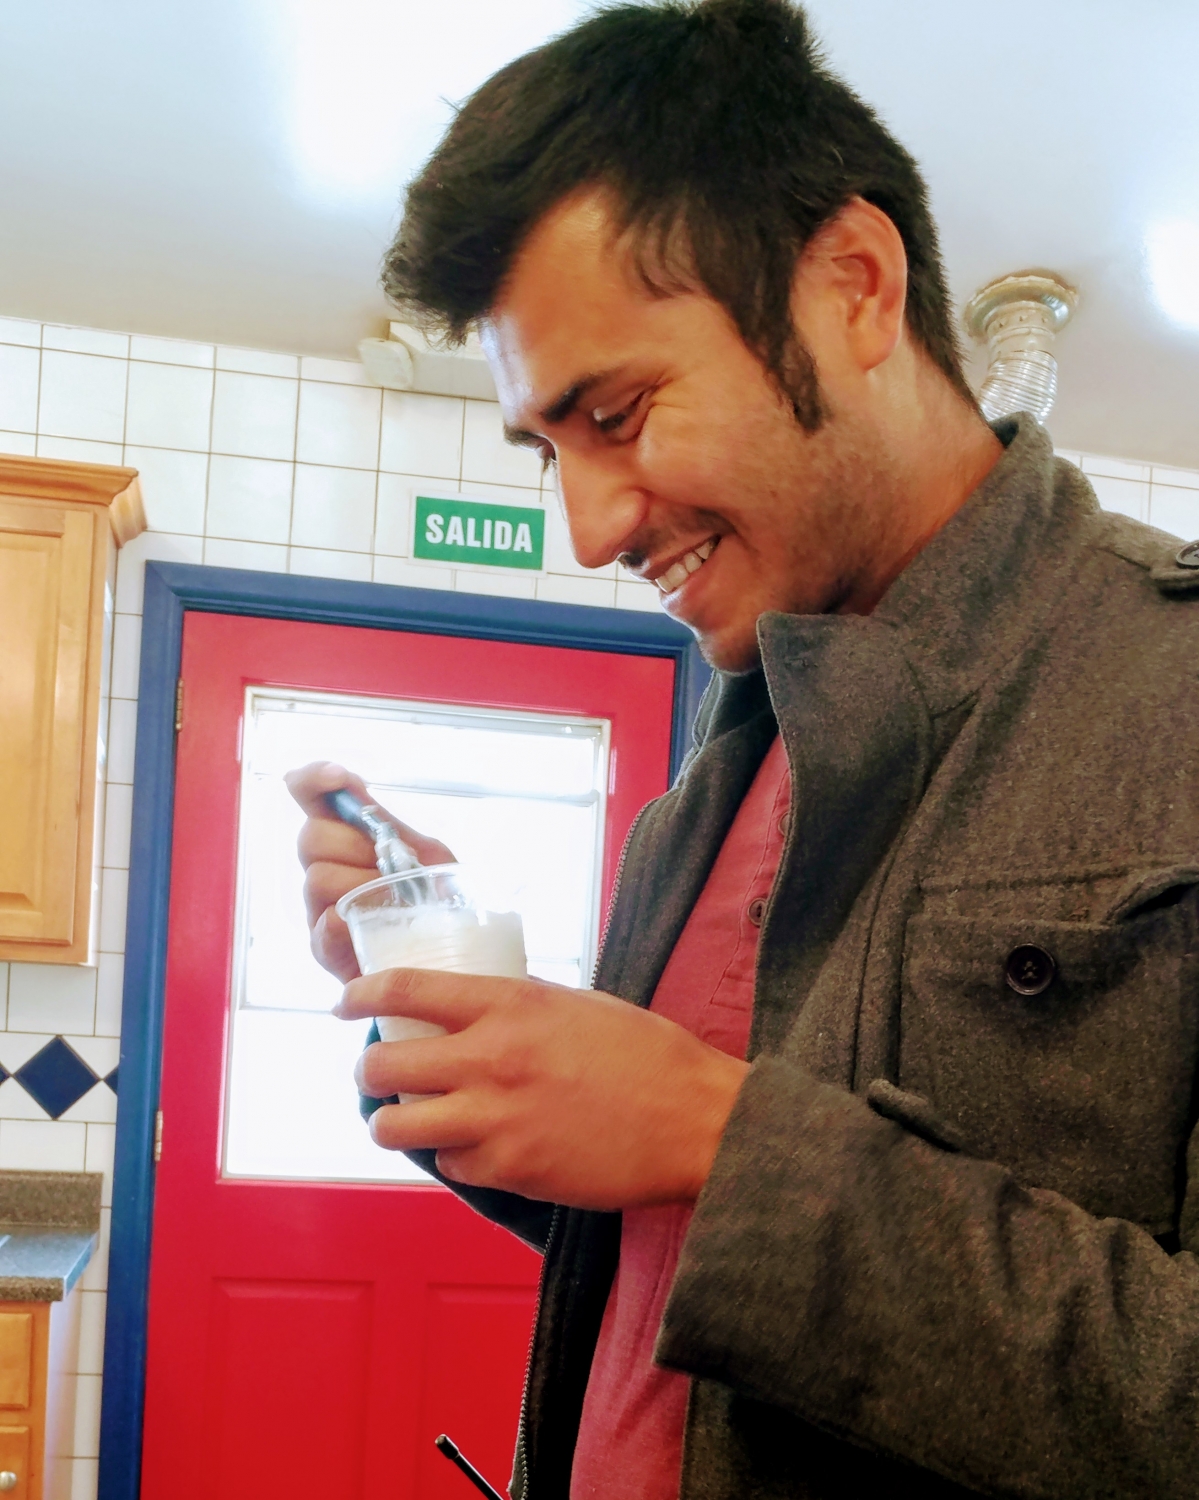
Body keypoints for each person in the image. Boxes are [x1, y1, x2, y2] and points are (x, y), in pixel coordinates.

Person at [286, 2, 1199, 1496]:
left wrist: (720, 1143)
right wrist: (484, 1049)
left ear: (854, 286)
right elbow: (661, 1258)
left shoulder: (1177, 692)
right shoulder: (704, 795)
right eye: (549, 449)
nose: (587, 529)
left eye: (619, 412)